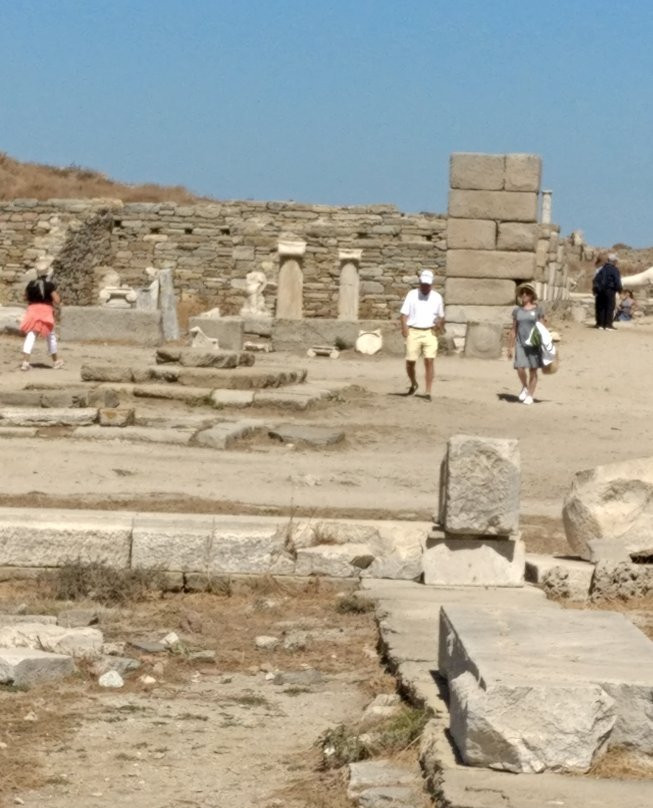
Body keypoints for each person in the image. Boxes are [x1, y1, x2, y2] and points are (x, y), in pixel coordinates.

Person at [399, 269, 445, 401]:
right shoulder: (412, 295)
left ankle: (428, 391)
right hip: (413, 330)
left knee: (429, 360)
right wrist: (404, 328)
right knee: (410, 362)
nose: (425, 287)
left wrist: (439, 325)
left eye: (428, 284)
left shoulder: (437, 297)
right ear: (420, 282)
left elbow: (441, 316)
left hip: (430, 332)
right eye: (423, 284)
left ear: (431, 284)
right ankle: (413, 383)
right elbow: (404, 314)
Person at [19, 259, 64, 371]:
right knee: (50, 336)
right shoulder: (49, 285)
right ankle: (55, 361)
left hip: (32, 310)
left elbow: (24, 297)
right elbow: (57, 300)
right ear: (48, 272)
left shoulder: (30, 284)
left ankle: (25, 361)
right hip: (45, 310)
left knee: (31, 335)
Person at [508, 283, 545, 406]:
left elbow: (542, 327)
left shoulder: (538, 310)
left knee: (533, 370)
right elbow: (513, 329)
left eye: (527, 292)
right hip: (520, 343)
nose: (524, 295)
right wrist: (510, 347)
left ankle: (530, 394)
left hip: (534, 343)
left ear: (531, 295)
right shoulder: (517, 311)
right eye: (522, 292)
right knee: (520, 367)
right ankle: (524, 386)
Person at [592, 252, 622, 330]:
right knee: (610, 307)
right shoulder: (614, 270)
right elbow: (617, 281)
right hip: (610, 290)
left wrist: (595, 290)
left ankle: (601, 324)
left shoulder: (602, 269)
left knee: (601, 307)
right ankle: (608, 325)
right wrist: (619, 290)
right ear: (614, 261)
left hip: (601, 291)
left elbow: (595, 280)